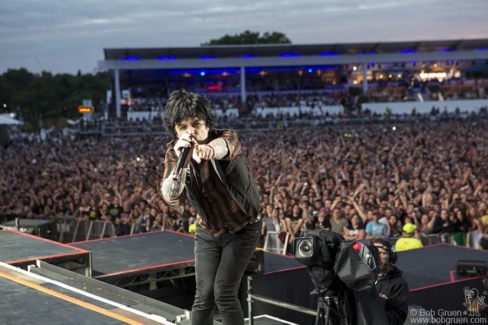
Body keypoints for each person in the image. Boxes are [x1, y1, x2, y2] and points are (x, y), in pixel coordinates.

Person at [160, 89, 262, 325]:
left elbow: (224, 147)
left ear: (207, 122)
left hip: (242, 227)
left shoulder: (226, 136)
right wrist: (181, 163)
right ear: (175, 131)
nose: (191, 132)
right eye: (183, 127)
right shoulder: (175, 154)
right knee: (203, 296)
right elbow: (169, 193)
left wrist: (208, 150)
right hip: (208, 231)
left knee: (224, 293)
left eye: (196, 124)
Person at [373, 238, 409, 325]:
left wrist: (374, 317)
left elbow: (398, 317)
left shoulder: (398, 284)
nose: (377, 257)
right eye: (373, 253)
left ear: (391, 257)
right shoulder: (360, 278)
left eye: (382, 253)